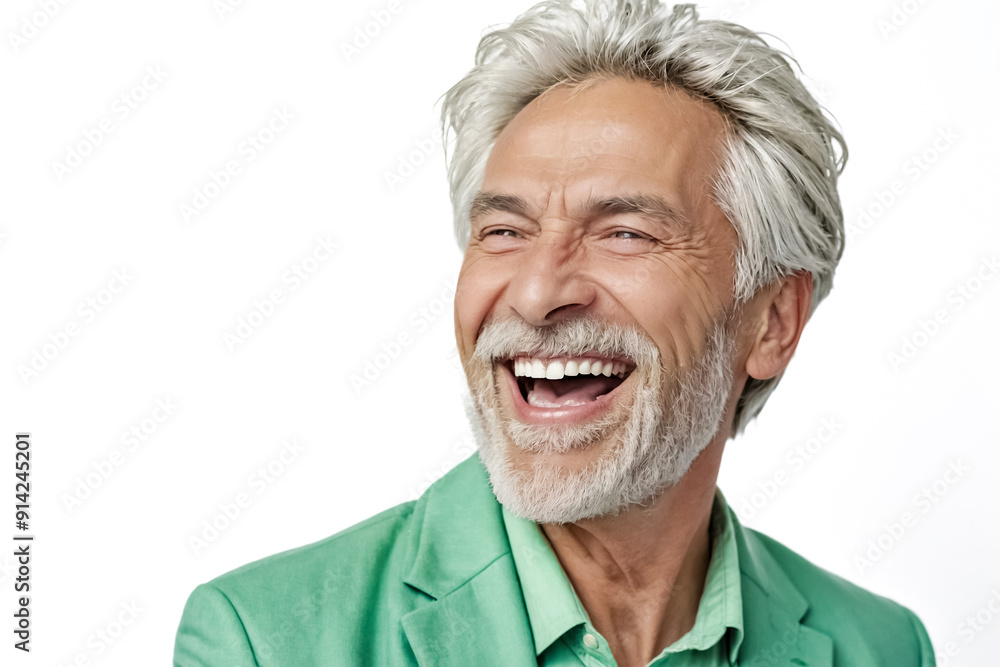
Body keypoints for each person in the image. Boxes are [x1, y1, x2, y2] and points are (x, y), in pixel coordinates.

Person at [174, 1, 935, 664]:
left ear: (772, 322)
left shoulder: (883, 647)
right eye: (503, 230)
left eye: (627, 234)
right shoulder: (265, 642)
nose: (536, 294)